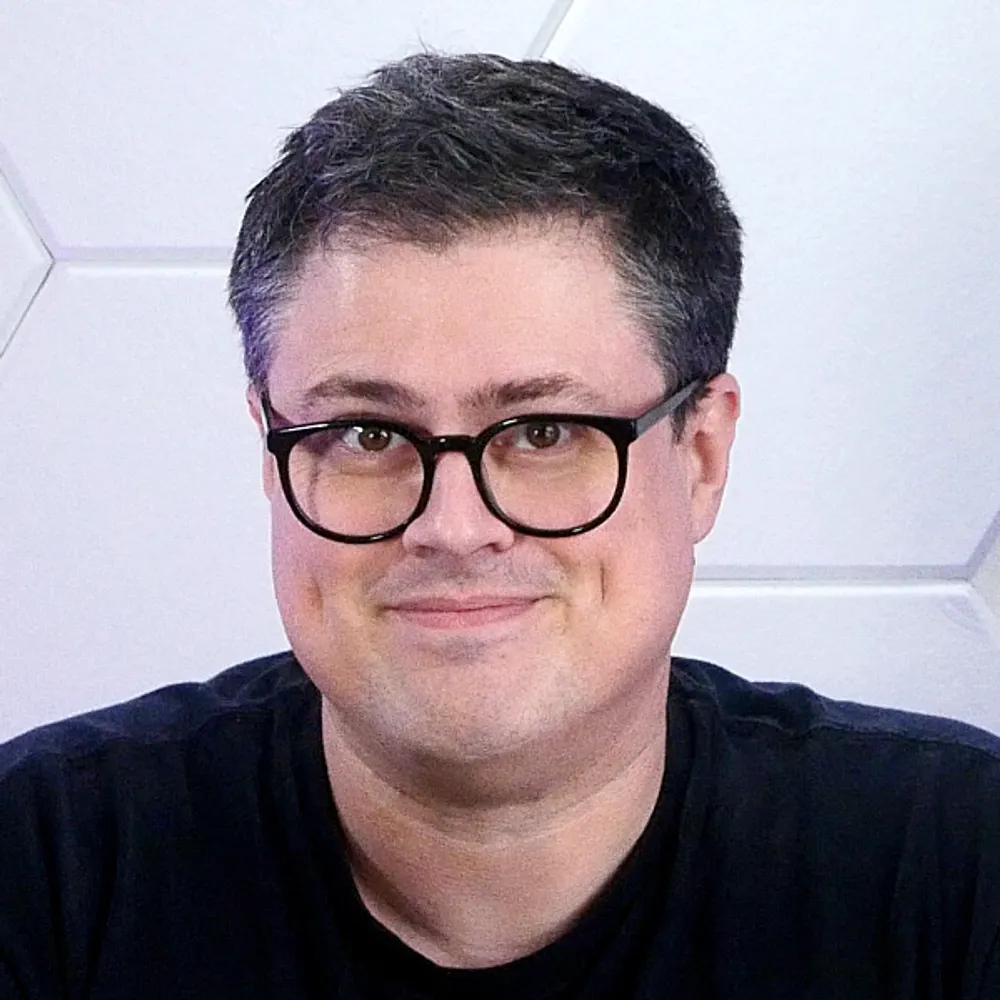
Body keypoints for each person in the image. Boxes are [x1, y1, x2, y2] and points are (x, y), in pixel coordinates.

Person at [1, 51, 998, 1000]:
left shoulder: (957, 866)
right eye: (366, 433)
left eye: (544, 431)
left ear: (700, 455)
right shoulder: (42, 870)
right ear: (272, 452)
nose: (453, 524)